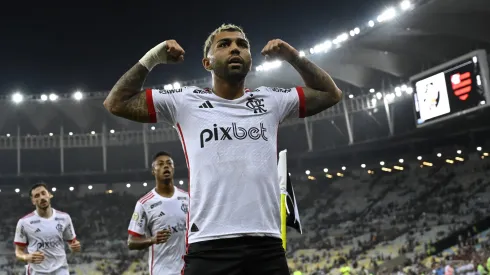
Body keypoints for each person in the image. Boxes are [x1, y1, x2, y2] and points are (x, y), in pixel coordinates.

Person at [104, 23, 341, 275]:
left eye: (242, 45)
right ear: (207, 63)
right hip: (209, 246)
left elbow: (330, 94)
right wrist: (152, 58)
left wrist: (293, 57)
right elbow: (116, 103)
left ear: (250, 59)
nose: (235, 49)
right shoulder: (184, 101)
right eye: (224, 45)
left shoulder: (271, 99)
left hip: (267, 246)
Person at [127, 151, 189, 275]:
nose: (165, 166)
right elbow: (131, 242)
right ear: (153, 171)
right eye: (160, 164)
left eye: (169, 163)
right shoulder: (144, 203)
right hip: (162, 271)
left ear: (173, 168)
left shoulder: (187, 198)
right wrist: (152, 240)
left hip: (188, 269)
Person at [14, 183, 81, 275]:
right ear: (33, 201)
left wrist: (74, 247)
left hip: (61, 270)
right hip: (37, 272)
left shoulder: (64, 217)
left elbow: (72, 244)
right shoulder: (24, 222)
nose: (41, 197)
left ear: (49, 195)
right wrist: (27, 257)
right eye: (37, 196)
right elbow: (18, 251)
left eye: (43, 193)